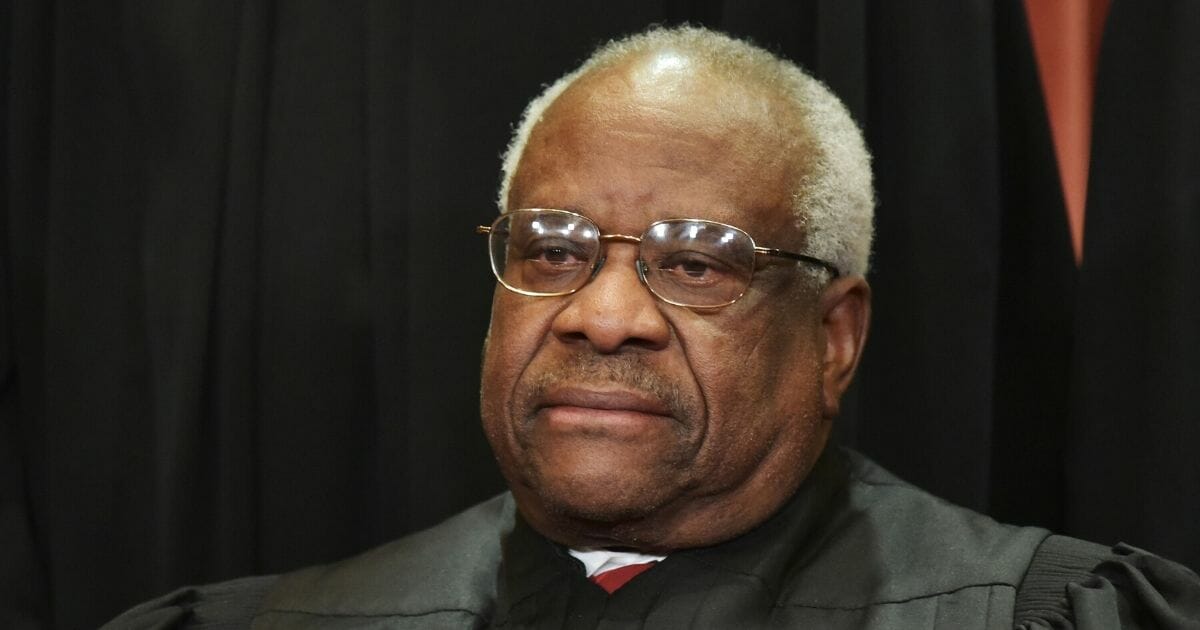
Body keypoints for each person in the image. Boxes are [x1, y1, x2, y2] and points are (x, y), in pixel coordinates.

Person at [106, 26, 1199, 629]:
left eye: (694, 262)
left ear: (834, 339)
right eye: (552, 250)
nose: (603, 314)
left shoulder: (1037, 619)